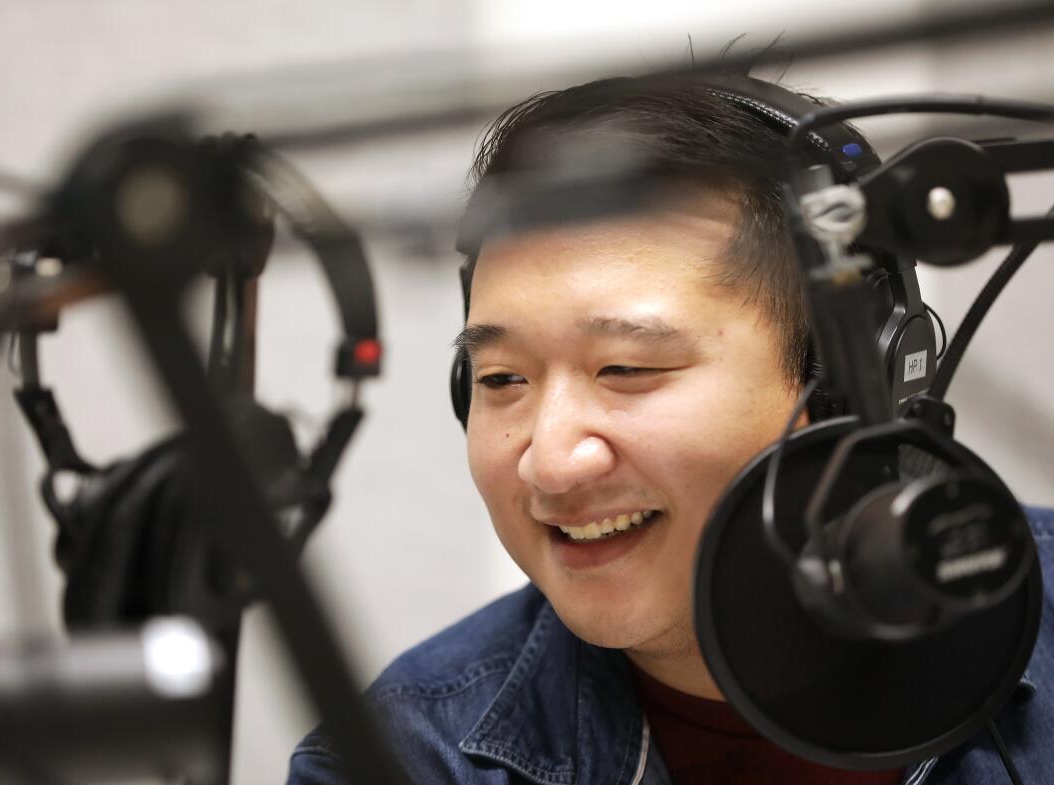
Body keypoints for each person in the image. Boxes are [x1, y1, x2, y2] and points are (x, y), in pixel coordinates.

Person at [286, 74, 1054, 784]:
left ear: (857, 385)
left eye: (626, 369)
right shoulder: (400, 758)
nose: (550, 464)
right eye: (502, 381)